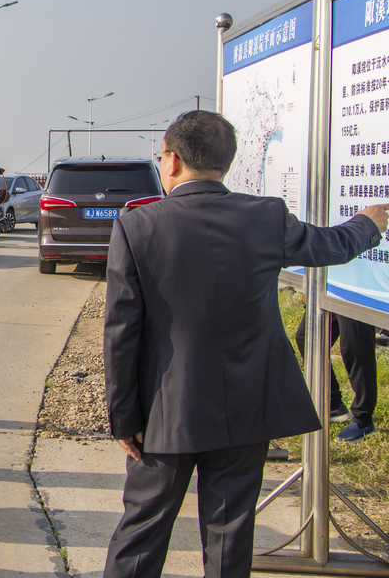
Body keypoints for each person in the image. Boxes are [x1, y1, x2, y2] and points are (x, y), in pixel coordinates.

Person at [102, 110, 388, 578]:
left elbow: (120, 333)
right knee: (230, 538)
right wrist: (368, 222)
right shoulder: (266, 216)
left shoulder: (137, 226)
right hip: (245, 410)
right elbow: (331, 246)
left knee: (141, 535)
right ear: (226, 163)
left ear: (171, 161)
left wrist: (124, 417)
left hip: (164, 414)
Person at [294, 311, 378, 441]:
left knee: (354, 346)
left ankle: (363, 418)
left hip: (356, 299)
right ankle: (333, 404)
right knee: (307, 338)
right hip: (326, 296)